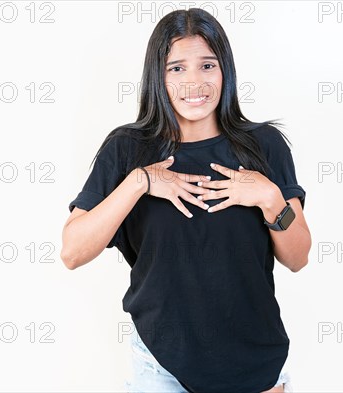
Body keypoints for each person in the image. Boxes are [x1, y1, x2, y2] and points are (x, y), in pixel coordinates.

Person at [60, 7, 311, 393]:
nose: (194, 82)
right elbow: (72, 251)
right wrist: (140, 181)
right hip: (162, 364)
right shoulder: (127, 149)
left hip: (255, 362)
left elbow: (297, 257)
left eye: (207, 66)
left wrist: (270, 197)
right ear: (157, 77)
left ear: (224, 71)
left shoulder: (264, 146)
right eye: (176, 68)